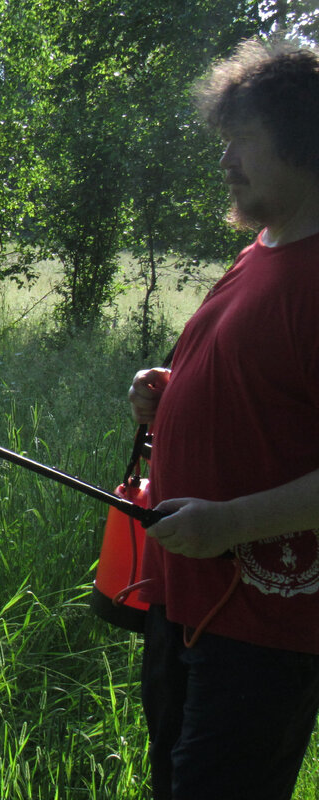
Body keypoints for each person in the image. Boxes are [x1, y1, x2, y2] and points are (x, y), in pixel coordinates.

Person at [128, 38, 319, 800]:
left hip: (264, 632)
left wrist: (230, 522)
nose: (225, 158)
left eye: (244, 139)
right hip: (186, 600)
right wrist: (170, 389)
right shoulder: (261, 249)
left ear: (305, 142)